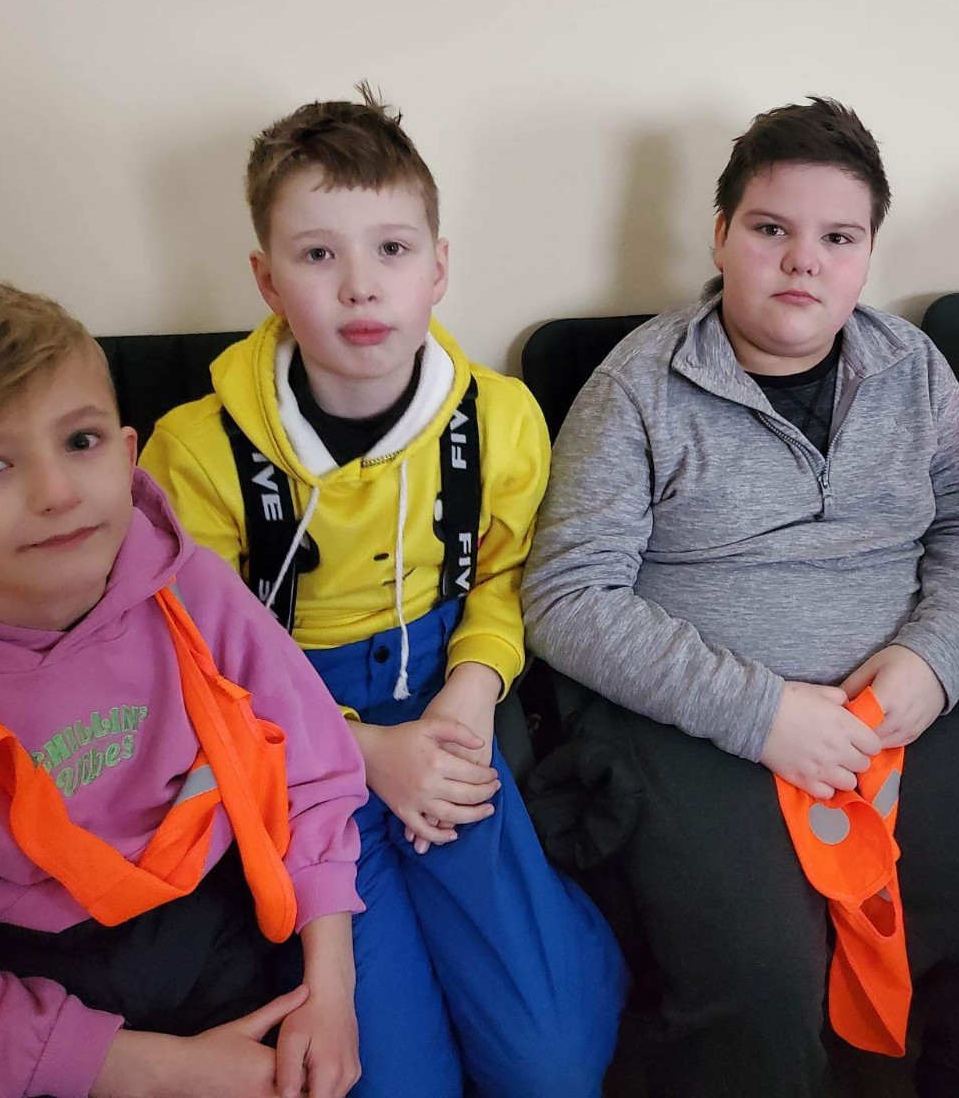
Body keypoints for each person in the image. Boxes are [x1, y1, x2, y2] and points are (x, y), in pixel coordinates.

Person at [522, 96, 959, 1098]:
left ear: (868, 253)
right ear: (720, 236)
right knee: (760, 975)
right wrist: (762, 713)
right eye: (771, 230)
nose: (803, 262)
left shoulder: (910, 366)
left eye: (838, 238)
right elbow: (567, 594)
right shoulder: (637, 387)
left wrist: (932, 661)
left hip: (896, 706)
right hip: (704, 720)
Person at [142, 84, 626, 1098]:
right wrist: (362, 752)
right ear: (267, 279)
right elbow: (203, 655)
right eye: (318, 254)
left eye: (392, 250)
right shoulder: (194, 451)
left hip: (448, 710)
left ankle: (553, 936)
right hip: (289, 738)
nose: (360, 287)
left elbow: (505, 577)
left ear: (438, 268)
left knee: (550, 1066)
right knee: (393, 1078)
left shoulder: (502, 418)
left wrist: (472, 692)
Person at [0, 282, 368, 1098]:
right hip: (25, 985)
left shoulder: (193, 589)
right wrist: (147, 1070)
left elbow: (312, 770)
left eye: (80, 441)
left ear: (126, 452)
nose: (56, 492)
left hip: (218, 919)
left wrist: (332, 987)